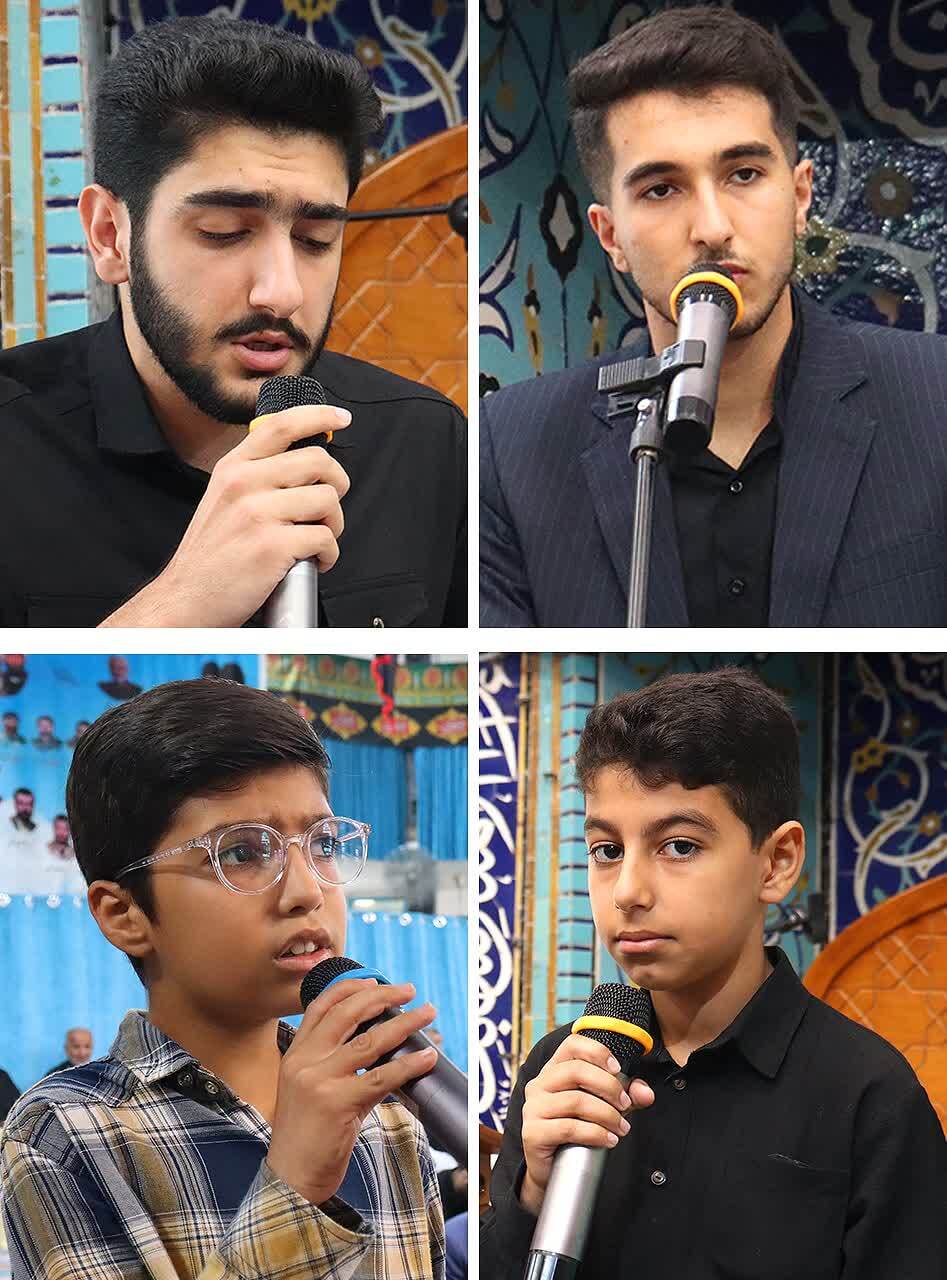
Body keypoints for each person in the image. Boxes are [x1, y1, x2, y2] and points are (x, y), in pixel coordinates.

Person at [480, 6, 947, 628]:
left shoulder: (935, 396)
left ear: (800, 197)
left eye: (744, 174)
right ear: (611, 236)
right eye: (661, 189)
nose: (713, 227)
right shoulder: (510, 449)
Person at [0, 17, 466, 628]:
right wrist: (181, 602)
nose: (282, 292)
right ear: (110, 235)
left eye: (316, 239)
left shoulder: (425, 443)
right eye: (224, 232)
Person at [480, 669, 947, 1277]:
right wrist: (534, 1192)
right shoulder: (563, 1067)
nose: (627, 892)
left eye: (679, 846)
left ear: (776, 862)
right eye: (607, 851)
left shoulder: (870, 1095)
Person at [1, 679, 445, 1279]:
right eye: (242, 853)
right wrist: (295, 1186)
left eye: (323, 844)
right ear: (125, 914)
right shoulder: (65, 1135)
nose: (308, 891)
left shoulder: (388, 1121)